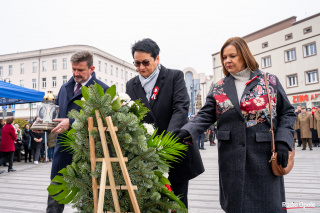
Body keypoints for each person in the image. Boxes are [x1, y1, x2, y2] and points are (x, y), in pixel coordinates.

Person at [173, 37, 296, 212]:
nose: (227, 61)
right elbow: (206, 115)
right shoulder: (219, 87)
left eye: (233, 56)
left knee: (267, 205)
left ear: (244, 55)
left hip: (263, 157)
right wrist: (187, 131)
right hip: (231, 159)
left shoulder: (269, 81)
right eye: (224, 57)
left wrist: (284, 141)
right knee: (236, 206)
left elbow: (287, 113)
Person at [126, 38, 204, 208]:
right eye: (137, 63)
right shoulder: (131, 85)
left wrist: (164, 144)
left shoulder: (173, 77)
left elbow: (180, 109)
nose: (141, 68)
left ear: (157, 59)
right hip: (145, 155)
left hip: (173, 149)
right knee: (151, 204)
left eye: (145, 62)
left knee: (177, 202)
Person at [45, 51, 109, 213]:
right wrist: (45, 121)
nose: (76, 74)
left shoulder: (102, 89)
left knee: (91, 199)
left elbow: (105, 121)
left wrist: (72, 122)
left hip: (89, 153)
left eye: (80, 70)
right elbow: (58, 114)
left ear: (92, 69)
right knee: (55, 197)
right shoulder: (65, 88)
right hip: (63, 152)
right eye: (73, 69)